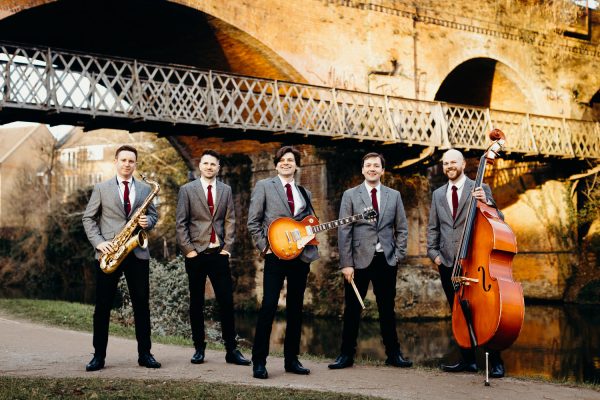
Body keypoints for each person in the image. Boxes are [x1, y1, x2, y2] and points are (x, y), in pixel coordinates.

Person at [328, 152, 412, 370]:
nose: (372, 168)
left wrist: (398, 255)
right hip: (357, 261)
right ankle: (346, 355)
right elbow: (344, 231)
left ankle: (394, 354)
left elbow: (402, 228)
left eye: (376, 165)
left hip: (386, 259)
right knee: (352, 309)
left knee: (387, 308)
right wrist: (346, 263)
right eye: (368, 165)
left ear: (383, 170)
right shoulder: (350, 195)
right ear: (363, 170)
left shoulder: (394, 196)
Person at [426, 148, 505, 378]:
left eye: (453, 162)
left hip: (474, 261)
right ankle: (467, 360)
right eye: (445, 163)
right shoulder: (438, 194)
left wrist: (487, 202)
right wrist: (434, 254)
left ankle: (496, 361)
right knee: (458, 312)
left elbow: (499, 219)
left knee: (482, 311)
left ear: (462, 165)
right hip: (448, 262)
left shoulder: (480, 188)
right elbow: (433, 227)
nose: (449, 166)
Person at [82, 145, 161, 371]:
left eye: (131, 161)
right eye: (123, 160)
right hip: (109, 253)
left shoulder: (146, 189)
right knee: (103, 306)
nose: (127, 164)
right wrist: (99, 243)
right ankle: (98, 356)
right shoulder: (101, 188)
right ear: (116, 161)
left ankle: (145, 354)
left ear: (135, 164)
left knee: (141, 306)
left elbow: (153, 215)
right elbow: (88, 219)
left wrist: (149, 222)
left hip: (137, 252)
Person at [247, 145, 318, 379]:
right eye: (282, 160)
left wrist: (311, 232)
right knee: (268, 307)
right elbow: (253, 222)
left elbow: (310, 222)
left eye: (291, 160)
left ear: (297, 165)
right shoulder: (264, 186)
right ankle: (259, 362)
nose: (286, 163)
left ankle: (292, 360)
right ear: (276, 164)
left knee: (296, 309)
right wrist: (264, 247)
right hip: (275, 256)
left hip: (300, 257)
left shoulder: (304, 192)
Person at [175, 149, 250, 366]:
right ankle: (199, 348)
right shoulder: (187, 190)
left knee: (226, 301)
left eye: (213, 164)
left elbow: (231, 219)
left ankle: (231, 350)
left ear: (218, 168)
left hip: (218, 254)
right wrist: (188, 250)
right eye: (206, 163)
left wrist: (227, 247)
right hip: (195, 254)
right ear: (200, 166)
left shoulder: (226, 190)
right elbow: (181, 223)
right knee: (196, 303)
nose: (209, 167)